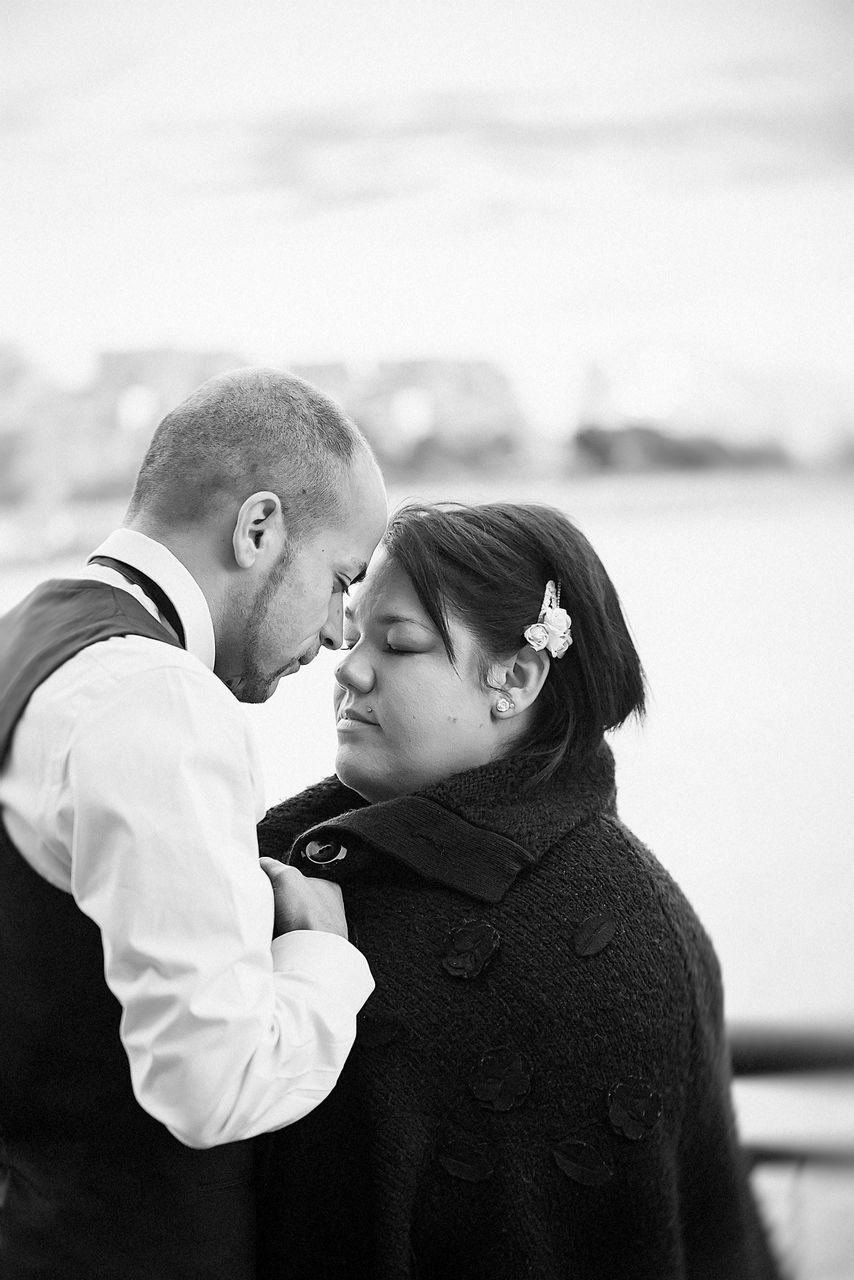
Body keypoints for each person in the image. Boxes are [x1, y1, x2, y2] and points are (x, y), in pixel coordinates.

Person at [255, 500, 782, 1280]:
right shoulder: (307, 851)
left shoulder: (614, 950)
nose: (349, 665)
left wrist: (315, 963)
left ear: (518, 677)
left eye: (400, 644)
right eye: (357, 629)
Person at [0, 368, 388, 1279]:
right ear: (259, 530)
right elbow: (212, 1086)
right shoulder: (156, 703)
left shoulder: (25, 639)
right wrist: (321, 955)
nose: (341, 632)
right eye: (340, 580)